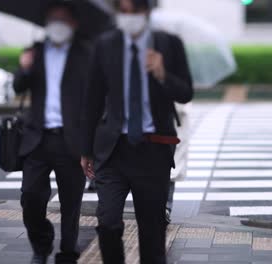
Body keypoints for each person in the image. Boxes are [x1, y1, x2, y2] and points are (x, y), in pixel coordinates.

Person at [80, 0, 193, 263]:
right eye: (124, 11)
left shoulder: (168, 44)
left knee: (152, 234)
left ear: (147, 12)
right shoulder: (105, 45)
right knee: (107, 223)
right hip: (113, 150)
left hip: (153, 151)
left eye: (135, 11)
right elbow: (92, 100)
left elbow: (186, 93)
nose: (130, 17)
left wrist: (163, 74)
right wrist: (85, 149)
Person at [13, 2, 91, 263]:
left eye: (63, 19)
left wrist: (90, 145)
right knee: (31, 197)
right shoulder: (35, 51)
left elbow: (97, 99)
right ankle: (41, 244)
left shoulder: (86, 55)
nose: (57, 24)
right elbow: (18, 86)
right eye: (53, 19)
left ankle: (68, 252)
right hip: (38, 139)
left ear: (74, 24)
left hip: (72, 141)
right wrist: (24, 67)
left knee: (71, 204)